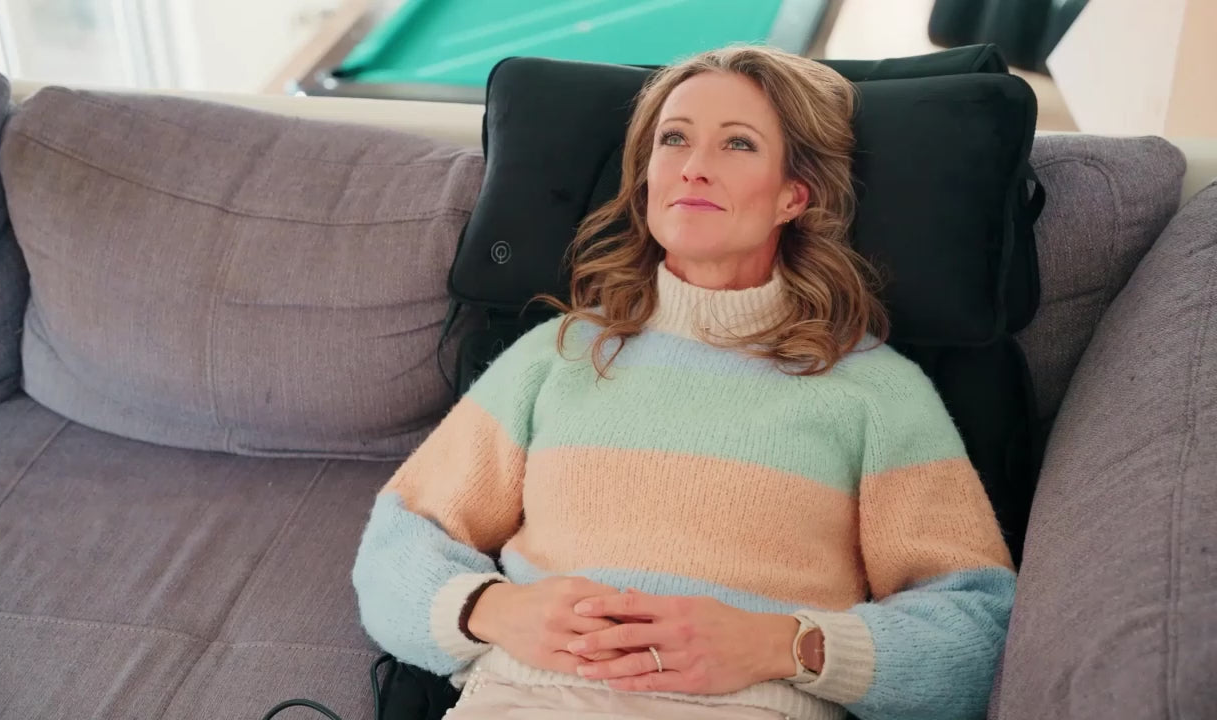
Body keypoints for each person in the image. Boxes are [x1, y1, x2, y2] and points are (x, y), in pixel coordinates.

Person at [352, 45, 1015, 720]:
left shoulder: (874, 390)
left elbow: (976, 633)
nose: (694, 166)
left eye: (738, 143)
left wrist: (786, 646)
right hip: (522, 697)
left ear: (795, 194)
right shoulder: (558, 355)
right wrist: (493, 610)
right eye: (674, 139)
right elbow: (397, 543)